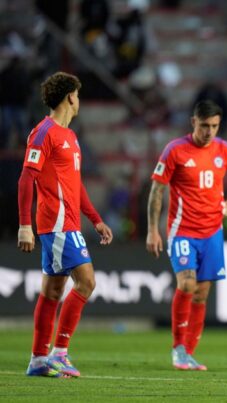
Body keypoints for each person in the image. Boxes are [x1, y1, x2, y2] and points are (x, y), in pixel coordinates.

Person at [146, 100, 227, 371]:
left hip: (212, 232)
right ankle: (178, 348)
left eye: (215, 126)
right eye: (205, 125)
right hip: (182, 231)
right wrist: (152, 230)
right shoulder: (175, 150)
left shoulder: (223, 149)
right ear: (193, 122)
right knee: (186, 285)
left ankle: (188, 353)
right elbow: (157, 191)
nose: (209, 131)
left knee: (202, 294)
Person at [18, 72, 113, 378]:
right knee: (86, 282)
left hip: (68, 222)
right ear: (71, 96)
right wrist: (24, 225)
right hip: (57, 223)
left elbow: (75, 185)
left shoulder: (70, 137)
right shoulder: (43, 132)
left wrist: (95, 220)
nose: (79, 101)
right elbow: (26, 178)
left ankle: (37, 359)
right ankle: (59, 353)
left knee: (52, 291)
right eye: (78, 95)